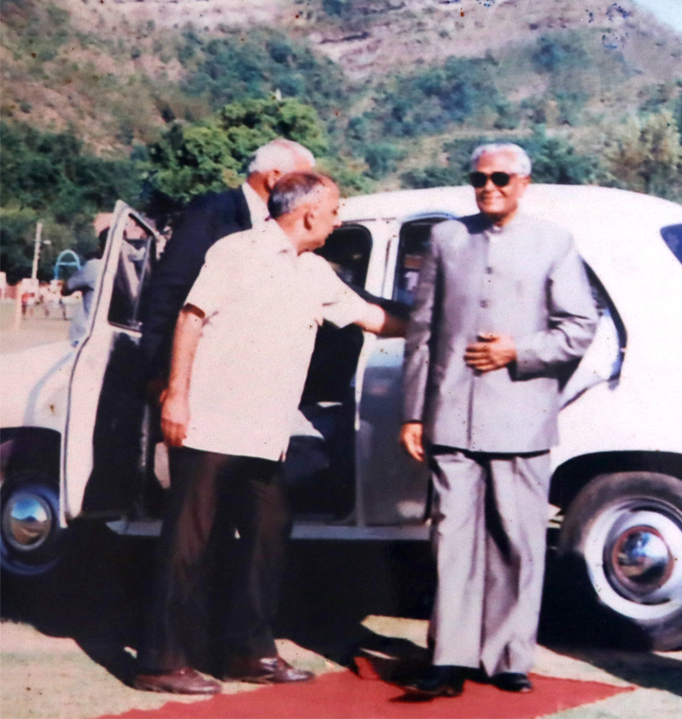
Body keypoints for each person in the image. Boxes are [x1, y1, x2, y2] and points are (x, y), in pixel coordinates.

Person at [135, 173, 407, 695]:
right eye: (333, 210)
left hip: (265, 433)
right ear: (307, 214)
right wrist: (177, 394)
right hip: (211, 422)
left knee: (268, 538)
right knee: (188, 544)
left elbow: (372, 318)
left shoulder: (315, 272)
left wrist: (440, 322)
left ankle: (249, 652)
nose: (337, 219)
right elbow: (190, 319)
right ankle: (160, 659)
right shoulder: (236, 250)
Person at [399, 143, 598, 699]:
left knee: (518, 538)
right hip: (451, 418)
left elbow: (579, 327)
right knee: (451, 540)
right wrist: (414, 413)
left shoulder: (553, 243)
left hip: (521, 418)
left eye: (501, 178)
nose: (489, 187)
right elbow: (422, 332)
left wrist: (519, 350)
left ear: (524, 182)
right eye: (479, 178)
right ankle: (448, 659)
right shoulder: (446, 239)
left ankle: (509, 657)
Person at [140, 138, 316, 383]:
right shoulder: (212, 212)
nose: (310, 193)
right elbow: (169, 293)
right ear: (274, 178)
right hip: (195, 374)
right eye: (304, 183)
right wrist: (161, 377)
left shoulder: (279, 229)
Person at [64, 229, 108, 343]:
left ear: (100, 246)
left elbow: (66, 289)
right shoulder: (130, 269)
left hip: (86, 334)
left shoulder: (94, 266)